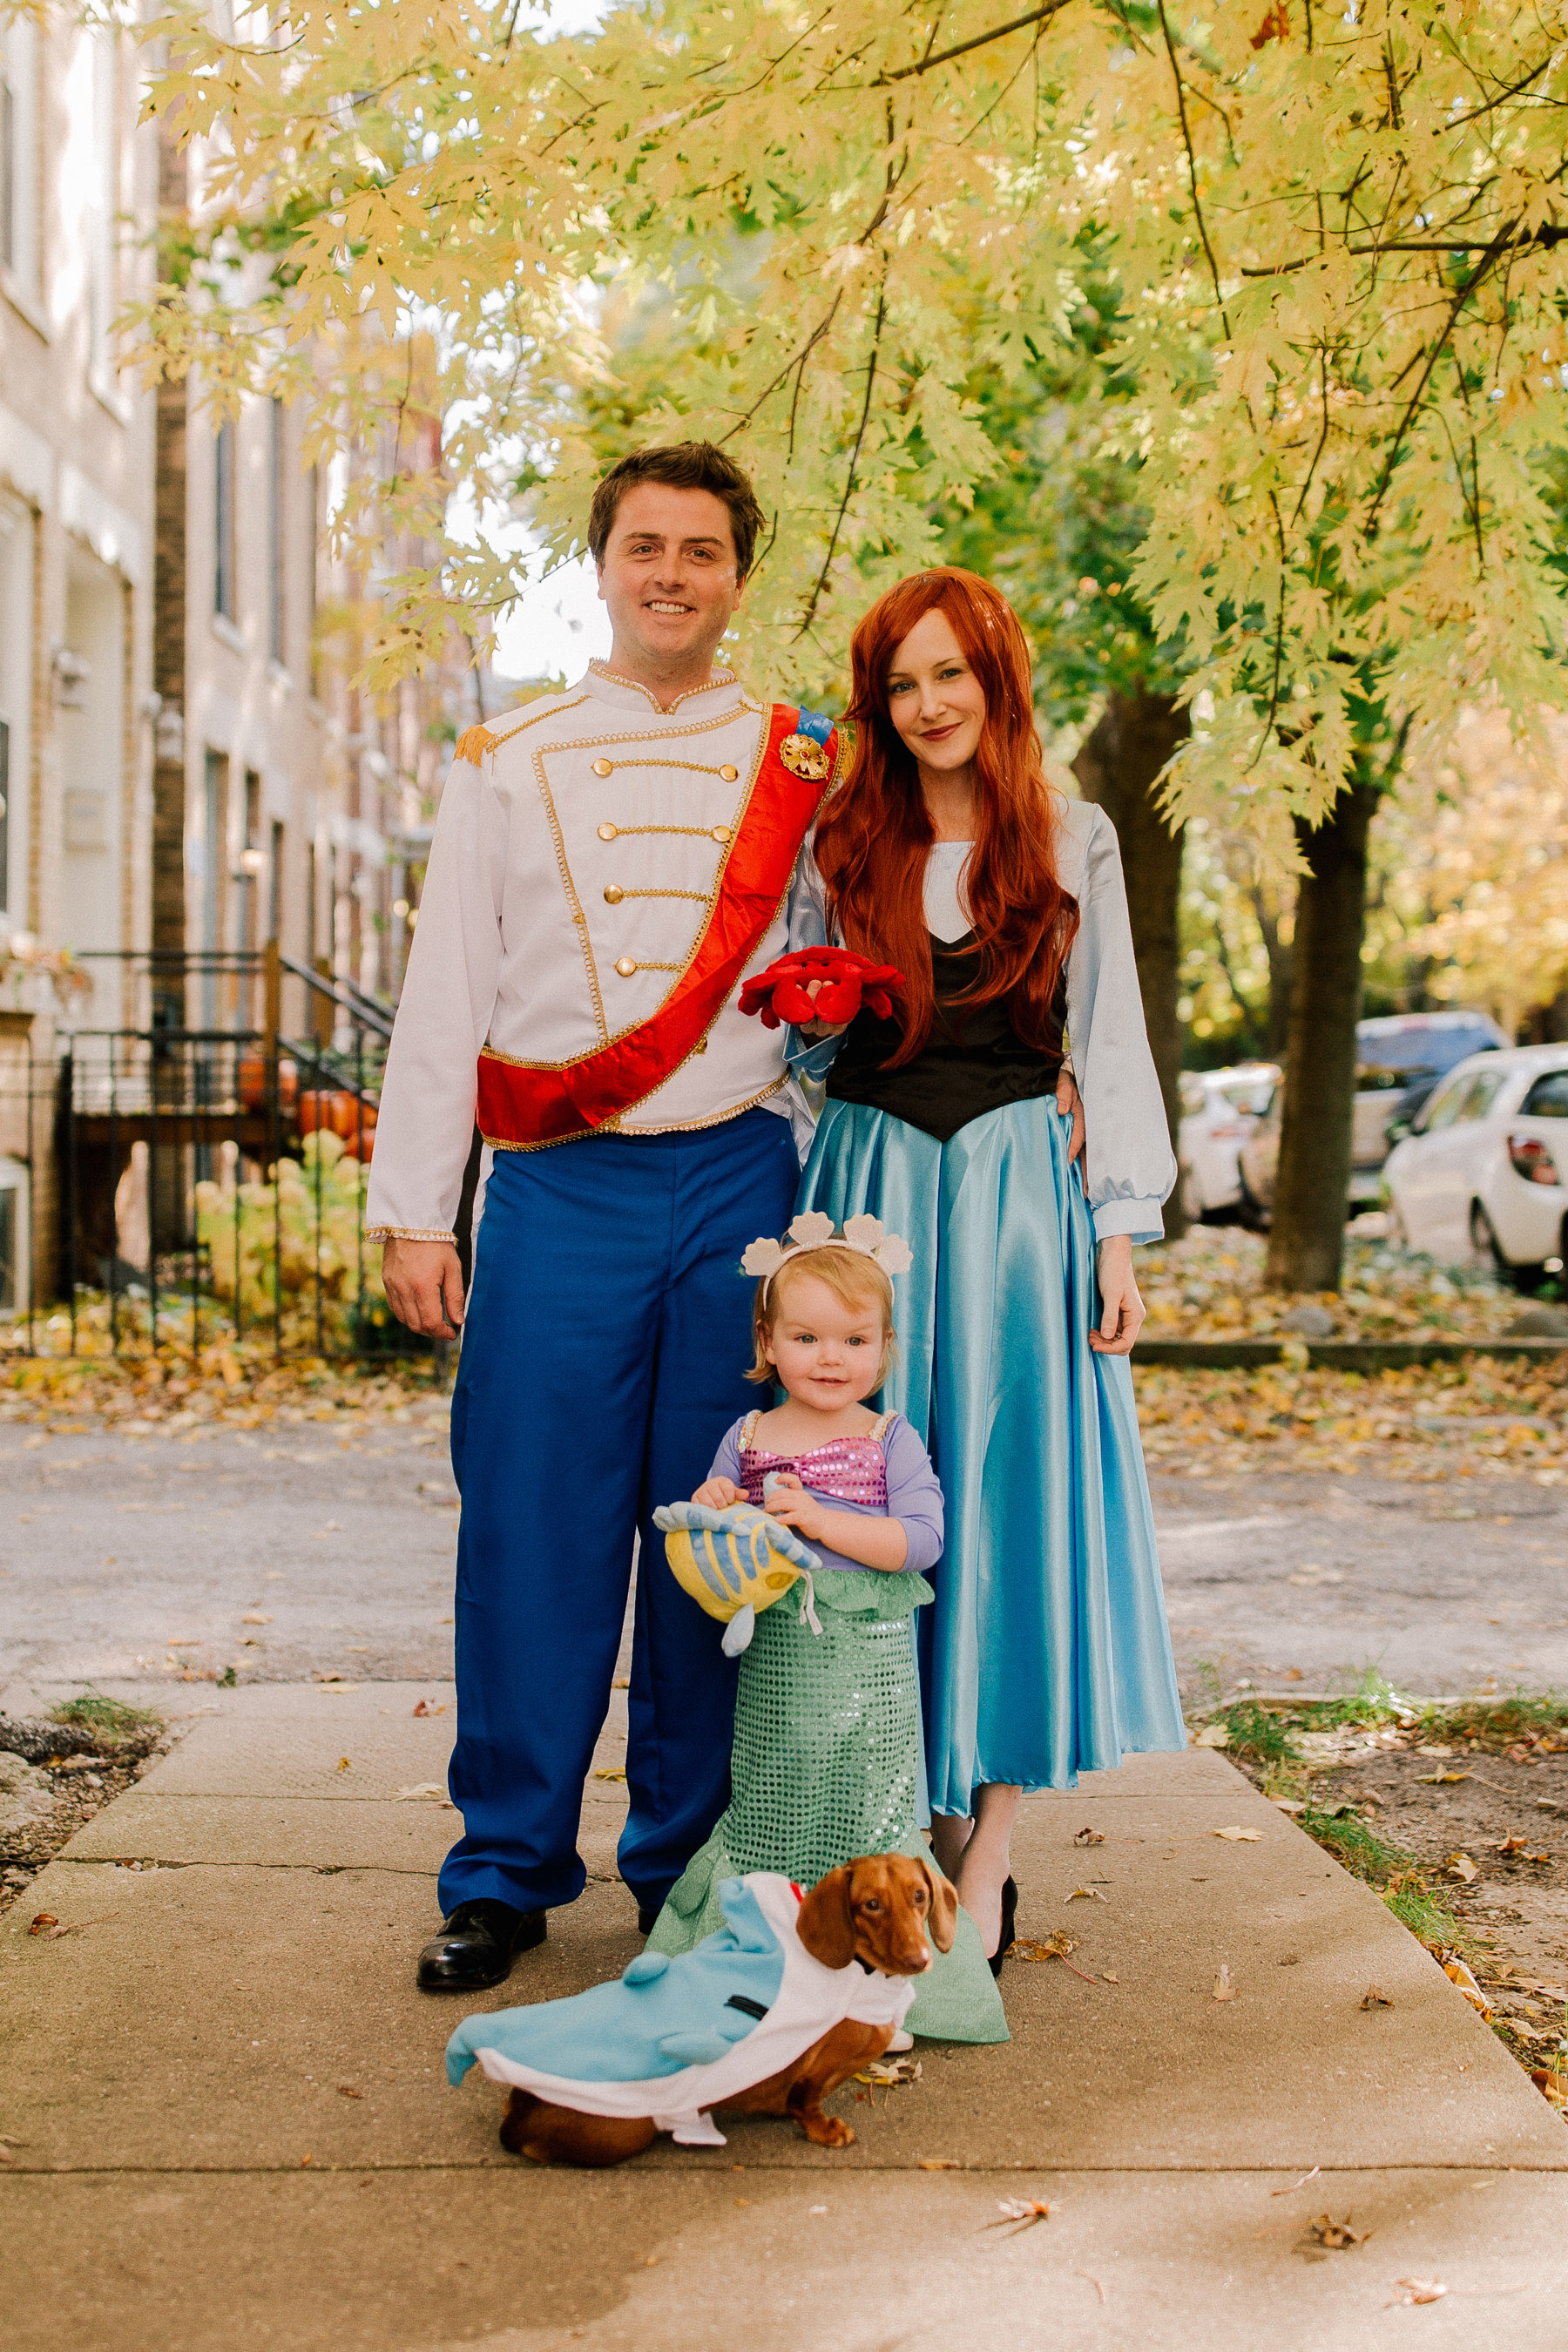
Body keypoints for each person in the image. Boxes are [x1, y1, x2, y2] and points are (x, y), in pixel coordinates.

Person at [367, 443, 843, 1993]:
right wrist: (415, 1212)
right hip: (558, 1183)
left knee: (720, 1537)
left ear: (737, 577)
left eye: (702, 551)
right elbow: (445, 991)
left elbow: (852, 977)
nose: (671, 574)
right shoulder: (508, 753)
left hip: (735, 1177)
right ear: (603, 563)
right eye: (646, 545)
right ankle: (504, 1869)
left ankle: (688, 1869)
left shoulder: (805, 761)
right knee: (529, 1528)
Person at [791, 567, 1186, 1967]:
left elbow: (1116, 1030)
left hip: (1025, 1201)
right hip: (876, 1198)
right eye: (901, 683)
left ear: (997, 679)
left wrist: (1119, 1222)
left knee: (1008, 1499)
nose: (929, 703)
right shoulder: (839, 843)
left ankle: (993, 1845)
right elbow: (784, 1033)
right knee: (869, 1492)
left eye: (951, 673)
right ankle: (898, 1808)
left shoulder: (1071, 837)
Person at [645, 1217, 1009, 2043]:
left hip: (867, 1677)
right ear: (768, 1343)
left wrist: (822, 1516)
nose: (831, 1357)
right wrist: (717, 1504)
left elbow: (921, 1542)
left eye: (854, 1339)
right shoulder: (748, 1437)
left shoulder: (887, 1439)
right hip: (779, 1669)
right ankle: (769, 1969)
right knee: (777, 1800)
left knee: (865, 1807)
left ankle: (882, 1988)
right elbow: (718, 1516)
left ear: (883, 1348)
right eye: (807, 1337)